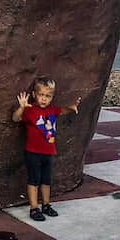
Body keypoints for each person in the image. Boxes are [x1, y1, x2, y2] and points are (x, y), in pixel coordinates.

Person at [12, 75, 80, 222]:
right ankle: (34, 207)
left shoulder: (52, 110)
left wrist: (71, 107)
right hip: (33, 152)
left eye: (48, 96)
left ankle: (46, 205)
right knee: (34, 180)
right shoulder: (30, 111)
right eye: (41, 95)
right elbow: (15, 118)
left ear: (52, 97)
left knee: (46, 180)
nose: (44, 99)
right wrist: (21, 107)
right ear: (34, 95)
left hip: (48, 152)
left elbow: (61, 111)